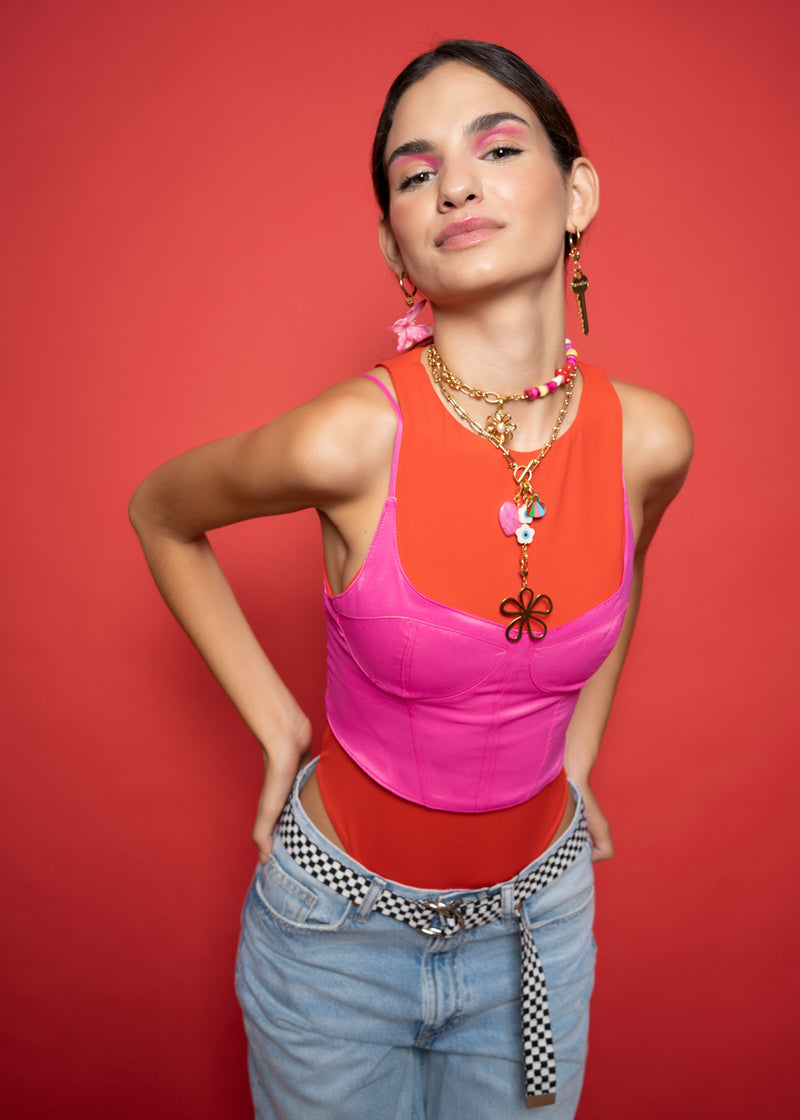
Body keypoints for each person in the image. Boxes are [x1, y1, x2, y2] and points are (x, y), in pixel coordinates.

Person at [130, 39, 692, 1120]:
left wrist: (575, 756)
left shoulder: (648, 442)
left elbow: (620, 583)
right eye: (416, 171)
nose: (455, 185)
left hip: (535, 928)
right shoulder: (351, 436)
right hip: (337, 946)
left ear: (576, 194)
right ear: (395, 241)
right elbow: (160, 511)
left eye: (498, 148)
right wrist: (278, 727)